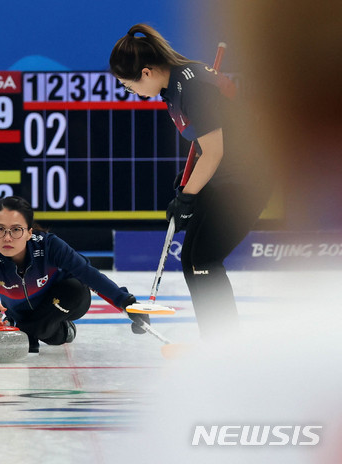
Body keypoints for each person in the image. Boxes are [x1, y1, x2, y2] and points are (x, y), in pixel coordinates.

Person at [109, 24, 272, 341]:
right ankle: (216, 341)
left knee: (205, 260)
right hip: (224, 175)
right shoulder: (171, 89)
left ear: (146, 72)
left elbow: (214, 151)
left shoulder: (192, 86)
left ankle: (225, 345)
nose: (133, 93)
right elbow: (204, 144)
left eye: (130, 87)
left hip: (248, 179)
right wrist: (188, 187)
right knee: (192, 260)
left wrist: (187, 197)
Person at [0, 196, 148, 353]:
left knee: (74, 288)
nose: (7, 238)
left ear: (29, 233)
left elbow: (88, 274)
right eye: (0, 229)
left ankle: (28, 331)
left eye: (16, 229)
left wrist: (127, 303)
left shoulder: (49, 245)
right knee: (42, 333)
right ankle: (38, 331)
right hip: (22, 314)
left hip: (65, 299)